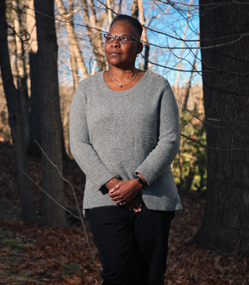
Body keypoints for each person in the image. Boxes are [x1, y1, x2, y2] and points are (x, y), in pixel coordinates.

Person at [69, 14, 182, 285]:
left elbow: (169, 140)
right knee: (118, 273)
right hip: (104, 199)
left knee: (150, 276)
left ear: (139, 47)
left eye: (124, 38)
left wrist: (138, 182)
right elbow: (78, 144)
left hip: (153, 197)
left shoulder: (159, 87)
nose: (114, 43)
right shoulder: (86, 89)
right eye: (110, 37)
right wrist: (114, 186)